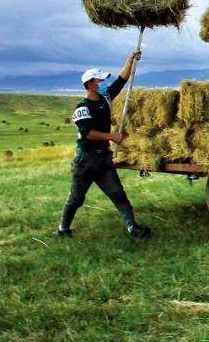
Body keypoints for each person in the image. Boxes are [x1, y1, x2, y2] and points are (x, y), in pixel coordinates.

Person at [55, 50, 152, 238]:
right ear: (90, 84)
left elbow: (121, 80)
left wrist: (131, 60)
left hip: (103, 159)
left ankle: (133, 227)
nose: (103, 83)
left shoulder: (105, 98)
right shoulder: (82, 108)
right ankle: (63, 229)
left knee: (118, 193)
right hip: (85, 160)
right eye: (99, 81)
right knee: (76, 198)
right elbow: (88, 133)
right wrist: (111, 136)